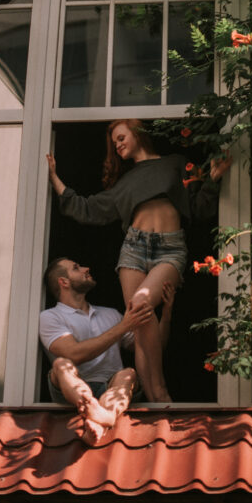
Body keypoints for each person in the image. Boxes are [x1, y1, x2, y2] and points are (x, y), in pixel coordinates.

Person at [46, 119, 230, 402]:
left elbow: (198, 207)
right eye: (114, 143)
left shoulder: (174, 163)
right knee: (139, 319)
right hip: (133, 248)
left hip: (170, 248)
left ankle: (160, 390)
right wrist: (55, 179)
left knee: (142, 303)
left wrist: (214, 180)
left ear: (137, 132)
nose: (117, 145)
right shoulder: (124, 184)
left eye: (121, 137)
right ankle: (157, 397)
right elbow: (86, 209)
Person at [39, 257, 174, 444]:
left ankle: (102, 418)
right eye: (77, 267)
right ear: (64, 282)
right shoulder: (50, 317)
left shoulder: (110, 314)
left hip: (110, 386)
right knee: (62, 364)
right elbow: (74, 354)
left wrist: (166, 316)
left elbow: (151, 349)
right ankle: (89, 404)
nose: (86, 268)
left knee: (128, 374)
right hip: (70, 390)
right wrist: (124, 326)